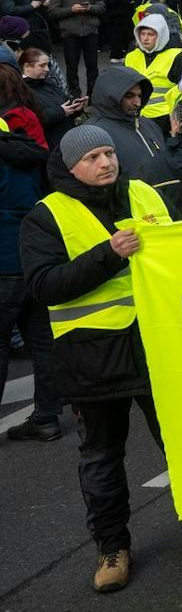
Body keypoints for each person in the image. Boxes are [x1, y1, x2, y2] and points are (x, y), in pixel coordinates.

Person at [20, 125, 182, 591]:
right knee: (102, 458)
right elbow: (45, 286)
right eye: (92, 157)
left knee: (181, 442)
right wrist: (108, 255)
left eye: (109, 152)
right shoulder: (47, 215)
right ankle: (112, 548)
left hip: (157, 344)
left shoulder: (143, 193)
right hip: (92, 356)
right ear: (71, 167)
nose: (106, 162)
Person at [0, 93, 59, 443]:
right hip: (34, 255)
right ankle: (47, 417)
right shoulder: (30, 151)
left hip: (3, 262)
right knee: (42, 342)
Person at [85, 65, 166, 181]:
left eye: (140, 96)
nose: (137, 103)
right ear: (110, 96)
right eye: (129, 96)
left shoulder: (149, 125)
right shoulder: (93, 134)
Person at [48, 0, 104, 97]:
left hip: (90, 31)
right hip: (70, 34)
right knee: (71, 68)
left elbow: (101, 6)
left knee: (93, 67)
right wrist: (71, 10)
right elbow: (52, 12)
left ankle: (93, 96)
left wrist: (90, 8)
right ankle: (74, 96)